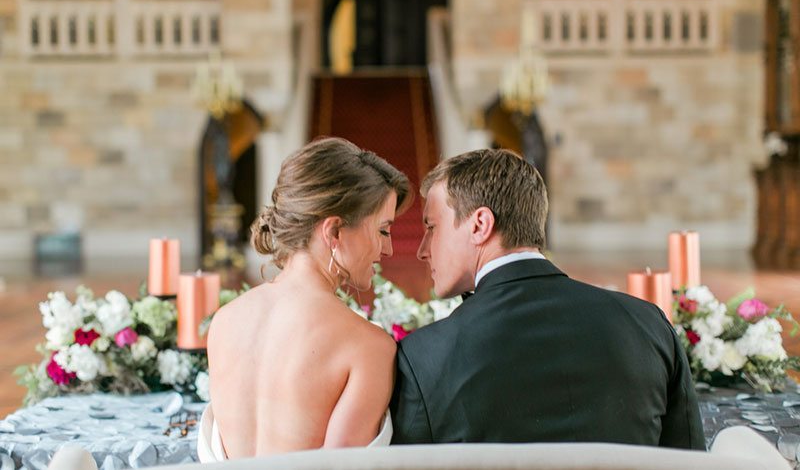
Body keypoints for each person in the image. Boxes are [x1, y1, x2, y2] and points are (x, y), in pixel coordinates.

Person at [390, 148, 705, 449]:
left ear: (480, 225)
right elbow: (689, 462)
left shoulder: (423, 358)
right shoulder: (648, 325)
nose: (422, 249)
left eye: (432, 227)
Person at [199, 137, 412, 459]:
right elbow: (342, 469)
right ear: (335, 231)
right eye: (383, 230)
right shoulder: (369, 347)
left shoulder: (225, 319)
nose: (389, 248)